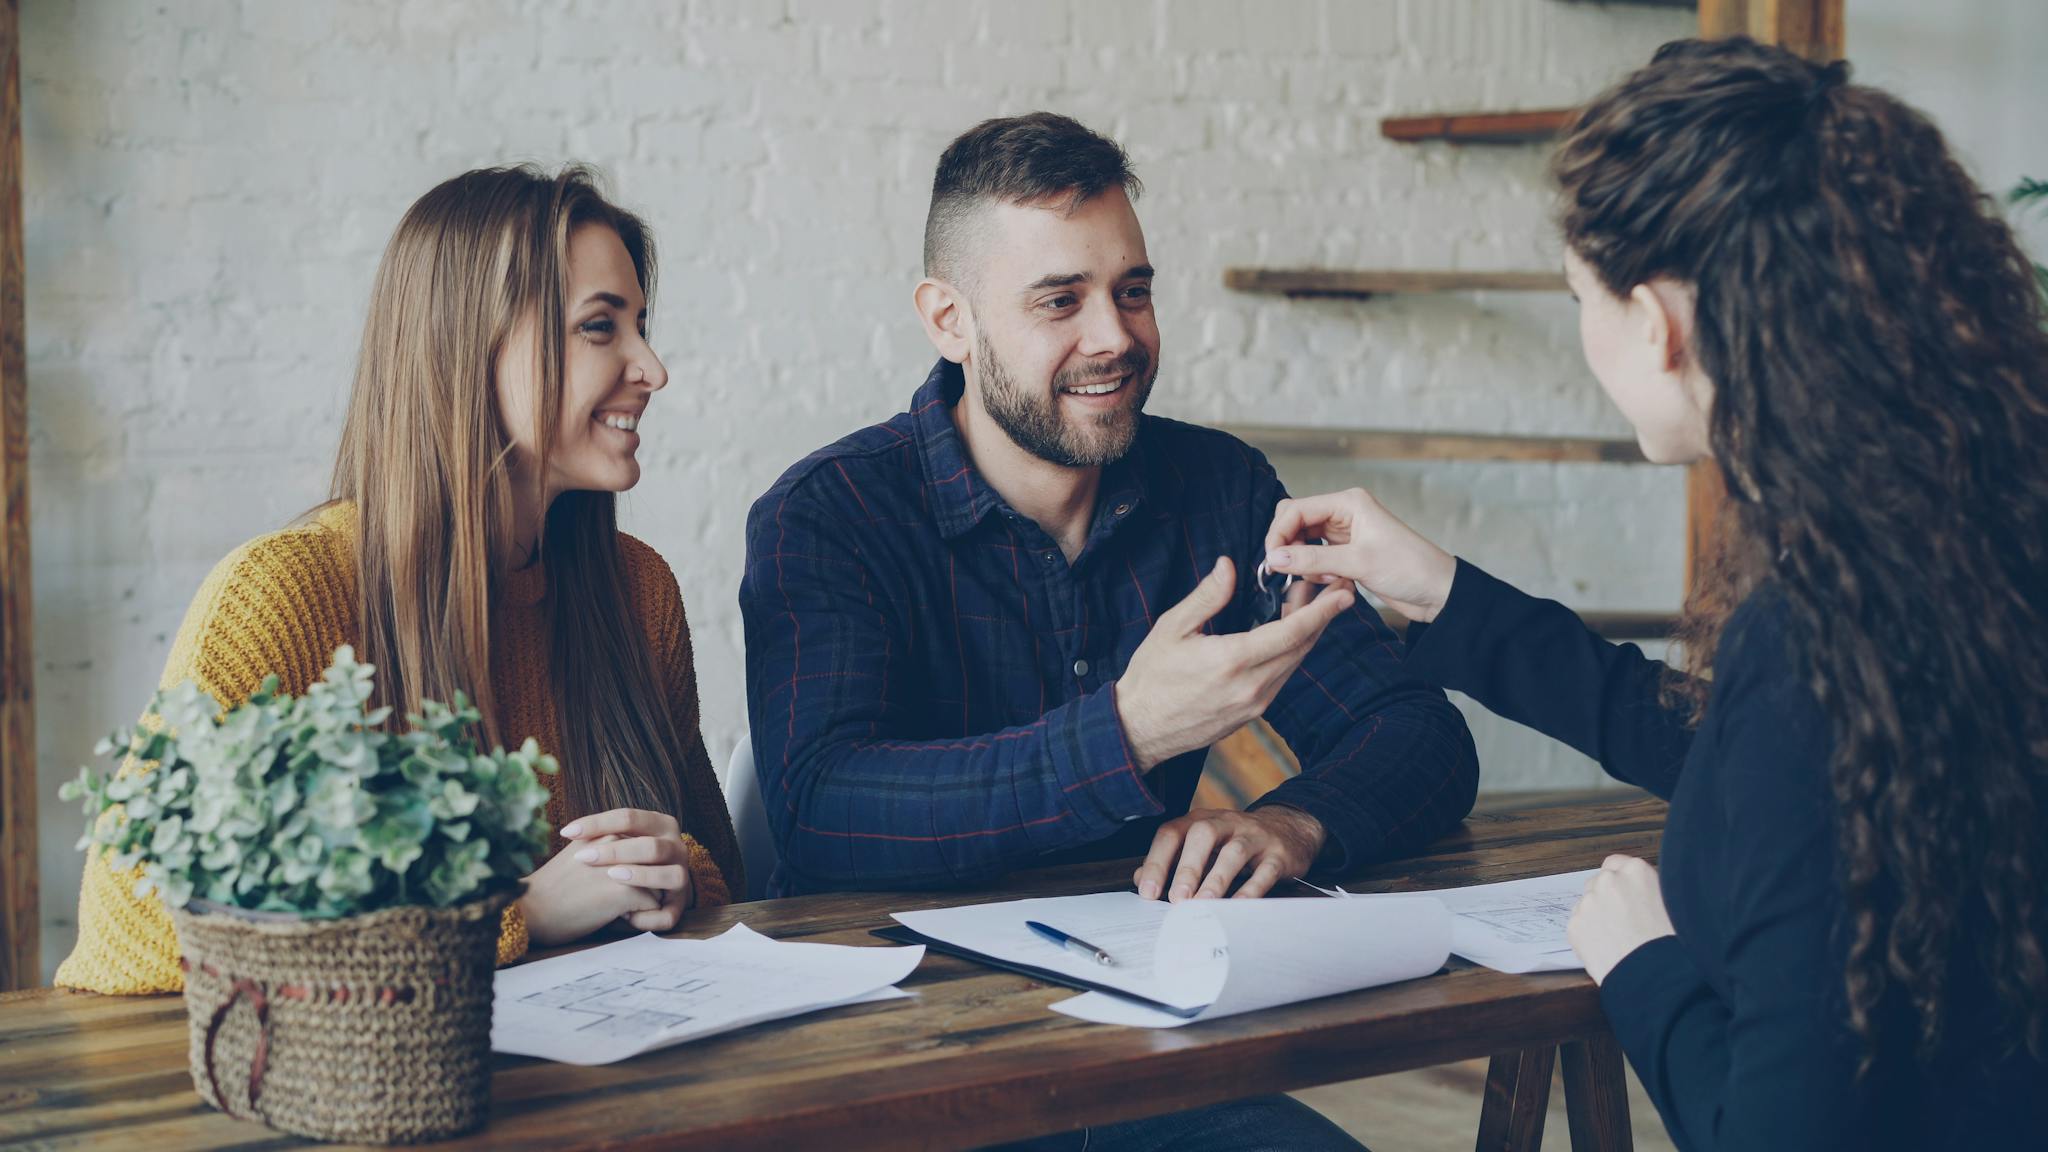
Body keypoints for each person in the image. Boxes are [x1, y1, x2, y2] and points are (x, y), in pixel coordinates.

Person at [1263, 40, 2048, 1150]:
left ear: (1652, 323)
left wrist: (1646, 966)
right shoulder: (1962, 550)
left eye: (1579, 295)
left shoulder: (1816, 638)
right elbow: (1731, 758)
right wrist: (1440, 589)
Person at [739, 112, 1478, 906]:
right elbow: (820, 810)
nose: (1115, 338)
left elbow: (1414, 731)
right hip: (890, 996)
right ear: (950, 321)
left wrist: (1296, 822)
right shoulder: (828, 515)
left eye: (1133, 292)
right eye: (1060, 302)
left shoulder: (1220, 488)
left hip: (1146, 989)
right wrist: (1128, 732)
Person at [58, 165, 743, 993]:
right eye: (602, 328)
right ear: (468, 349)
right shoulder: (284, 592)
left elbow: (724, 869)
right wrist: (508, 912)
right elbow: (131, 921)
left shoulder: (640, 593)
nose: (652, 368)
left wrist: (676, 874)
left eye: (642, 326)